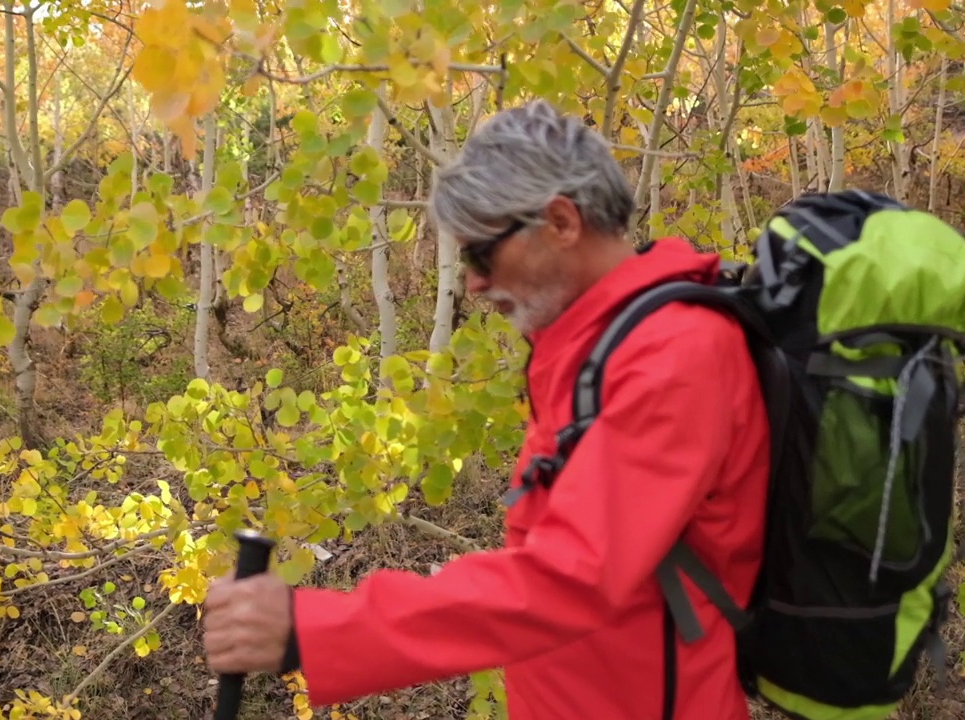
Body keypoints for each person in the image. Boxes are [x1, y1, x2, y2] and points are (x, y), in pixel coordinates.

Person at [201, 99, 771, 720]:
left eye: (482, 255)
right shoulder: (589, 343)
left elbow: (568, 577)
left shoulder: (673, 354)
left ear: (560, 222)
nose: (473, 284)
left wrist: (312, 628)